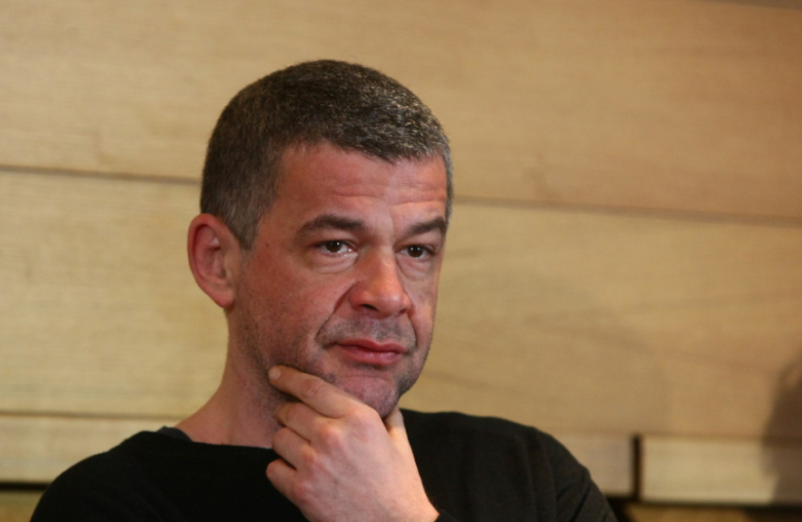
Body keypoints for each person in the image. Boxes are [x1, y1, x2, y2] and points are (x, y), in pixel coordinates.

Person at [31, 60, 617, 522]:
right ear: (218, 262)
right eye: (336, 245)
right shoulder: (109, 504)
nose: (389, 295)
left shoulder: (532, 476)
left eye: (417, 251)